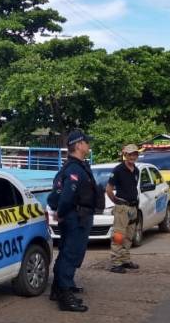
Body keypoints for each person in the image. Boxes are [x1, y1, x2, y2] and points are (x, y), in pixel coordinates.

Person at [48, 130, 99, 312]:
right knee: (71, 254)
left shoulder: (78, 166)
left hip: (79, 216)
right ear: (78, 145)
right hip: (75, 217)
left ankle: (58, 288)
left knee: (68, 253)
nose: (88, 145)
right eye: (86, 142)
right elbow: (67, 196)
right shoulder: (74, 169)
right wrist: (61, 212)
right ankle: (65, 295)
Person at [106, 144, 141, 274]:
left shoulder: (136, 171)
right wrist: (116, 202)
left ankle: (125, 260)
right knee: (119, 236)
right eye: (130, 154)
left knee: (129, 236)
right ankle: (115, 263)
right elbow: (109, 190)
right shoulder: (118, 170)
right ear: (125, 155)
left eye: (134, 154)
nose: (132, 156)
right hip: (122, 207)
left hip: (133, 207)